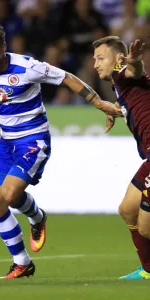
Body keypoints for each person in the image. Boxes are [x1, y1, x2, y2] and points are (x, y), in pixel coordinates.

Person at [0, 23, 121, 279]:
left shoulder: (28, 67)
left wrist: (99, 103)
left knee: (8, 194)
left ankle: (37, 217)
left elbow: (68, 78)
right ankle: (22, 263)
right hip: (7, 144)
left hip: (34, 140)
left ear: (3, 48)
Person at [93, 36, 150, 279]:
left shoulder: (121, 72)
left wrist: (135, 61)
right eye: (94, 59)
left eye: (100, 58)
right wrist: (117, 110)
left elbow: (133, 71)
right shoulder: (122, 88)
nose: (95, 64)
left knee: (147, 228)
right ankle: (148, 270)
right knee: (127, 209)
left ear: (118, 60)